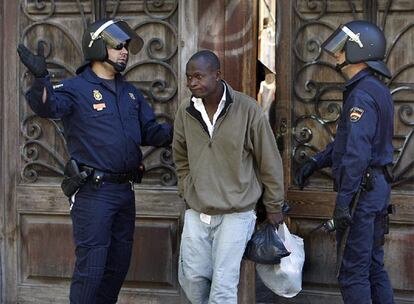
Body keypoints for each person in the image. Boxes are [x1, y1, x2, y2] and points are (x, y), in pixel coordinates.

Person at [17, 18, 172, 303]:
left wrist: (186, 129)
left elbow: (151, 132)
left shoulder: (130, 93)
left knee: (117, 266)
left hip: (124, 193)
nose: (124, 51)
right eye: (118, 46)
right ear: (98, 46)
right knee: (92, 269)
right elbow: (46, 105)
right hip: (94, 194)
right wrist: (41, 78)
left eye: (126, 47)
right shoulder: (76, 89)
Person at [173, 50, 284, 304]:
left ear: (218, 75)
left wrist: (274, 205)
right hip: (197, 210)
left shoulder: (247, 109)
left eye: (199, 76)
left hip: (237, 213)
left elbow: (269, 160)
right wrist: (187, 187)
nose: (192, 83)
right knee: (192, 279)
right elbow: (180, 156)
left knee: (223, 286)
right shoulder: (185, 111)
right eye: (189, 77)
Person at [296, 20, 394, 304]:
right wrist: (315, 162)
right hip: (374, 189)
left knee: (352, 272)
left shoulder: (361, 94)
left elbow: (356, 155)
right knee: (373, 267)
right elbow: (346, 143)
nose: (336, 54)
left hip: (362, 194)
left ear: (358, 51)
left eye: (342, 48)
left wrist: (344, 203)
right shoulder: (374, 88)